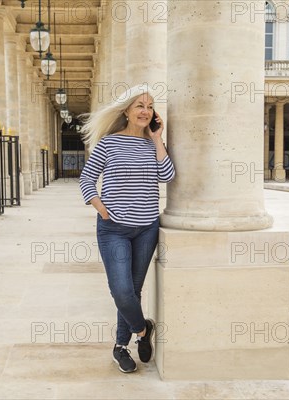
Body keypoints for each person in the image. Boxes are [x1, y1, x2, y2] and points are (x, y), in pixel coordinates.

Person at [79, 85, 175, 373]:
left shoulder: (153, 144)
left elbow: (167, 175)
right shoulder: (108, 143)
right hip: (114, 229)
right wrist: (99, 206)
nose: (145, 111)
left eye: (150, 106)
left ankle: (120, 347)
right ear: (127, 111)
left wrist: (157, 140)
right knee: (121, 291)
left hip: (147, 227)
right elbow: (86, 179)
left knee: (133, 290)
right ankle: (143, 330)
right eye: (139, 106)